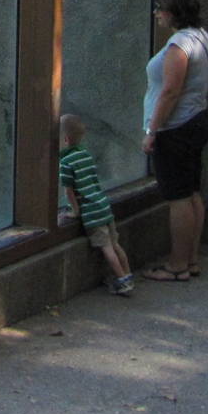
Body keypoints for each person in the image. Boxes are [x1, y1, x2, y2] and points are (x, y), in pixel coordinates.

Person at [141, 0, 208, 282]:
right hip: (197, 119)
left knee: (178, 198)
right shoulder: (201, 36)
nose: (156, 13)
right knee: (192, 192)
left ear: (173, 11)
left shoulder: (178, 45)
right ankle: (192, 260)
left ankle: (177, 265)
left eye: (160, 8)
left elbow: (170, 91)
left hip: (176, 127)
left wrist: (151, 130)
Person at [58, 114, 134, 295]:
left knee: (106, 248)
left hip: (91, 212)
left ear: (66, 140)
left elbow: (69, 191)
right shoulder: (85, 154)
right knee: (116, 244)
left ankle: (123, 281)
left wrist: (75, 212)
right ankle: (128, 274)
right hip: (103, 205)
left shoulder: (66, 163)